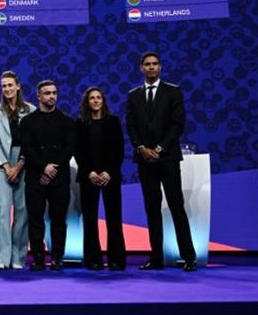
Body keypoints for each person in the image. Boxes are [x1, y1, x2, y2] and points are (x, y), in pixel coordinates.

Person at [126, 51, 197, 272]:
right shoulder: (133, 95)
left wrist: (158, 148)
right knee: (152, 209)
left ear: (161, 67)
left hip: (167, 158)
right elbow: (131, 126)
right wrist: (141, 148)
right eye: (147, 64)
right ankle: (156, 257)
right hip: (144, 160)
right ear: (141, 68)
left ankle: (189, 257)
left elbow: (177, 124)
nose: (151, 67)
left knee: (176, 206)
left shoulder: (173, 92)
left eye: (155, 64)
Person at [20, 80, 76, 271]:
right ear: (38, 96)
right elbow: (27, 149)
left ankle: (57, 257)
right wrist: (44, 167)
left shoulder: (67, 121)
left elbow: (69, 149)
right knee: (35, 219)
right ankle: (37, 257)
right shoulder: (27, 121)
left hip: (59, 179)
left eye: (54, 93)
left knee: (59, 219)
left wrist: (53, 169)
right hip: (35, 177)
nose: (51, 96)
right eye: (47, 93)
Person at [74, 87, 126, 271]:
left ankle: (116, 260)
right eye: (92, 98)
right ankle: (93, 259)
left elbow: (119, 150)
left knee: (114, 218)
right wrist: (89, 172)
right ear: (87, 102)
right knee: (90, 219)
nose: (95, 101)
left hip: (110, 177)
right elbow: (78, 151)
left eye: (98, 98)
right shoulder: (80, 123)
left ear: (103, 101)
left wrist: (109, 172)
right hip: (89, 177)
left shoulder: (113, 122)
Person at [0, 71, 35, 270]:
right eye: (4, 86)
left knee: (23, 212)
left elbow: (32, 142)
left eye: (10, 85)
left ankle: (18, 257)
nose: (7, 89)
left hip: (24, 162)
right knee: (1, 211)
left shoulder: (31, 111)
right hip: (1, 164)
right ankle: (0, 257)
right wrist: (7, 166)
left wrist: (20, 164)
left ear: (18, 86)